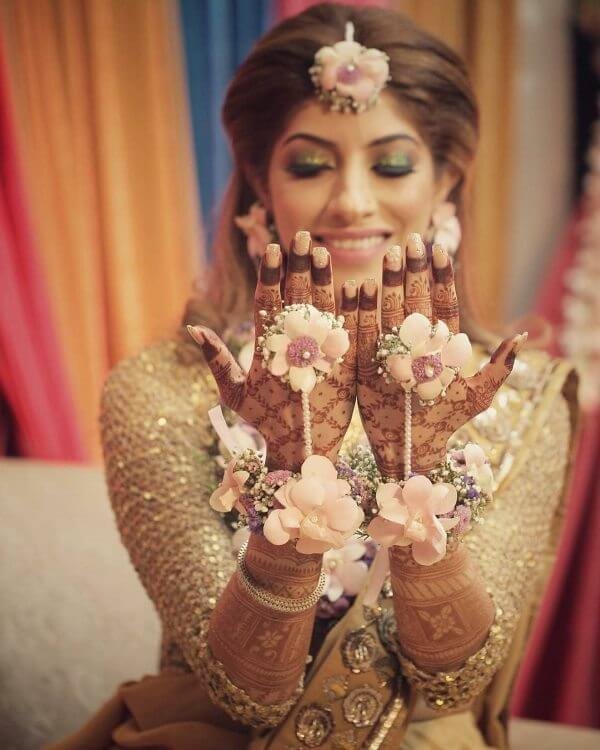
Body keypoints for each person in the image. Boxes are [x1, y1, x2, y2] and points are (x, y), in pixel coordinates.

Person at [48, 4, 577, 749]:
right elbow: (242, 694)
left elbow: (456, 680)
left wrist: (418, 470)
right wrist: (295, 484)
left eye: (391, 163)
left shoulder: (517, 393)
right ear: (260, 182)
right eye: (309, 163)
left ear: (447, 179)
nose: (353, 201)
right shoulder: (162, 388)